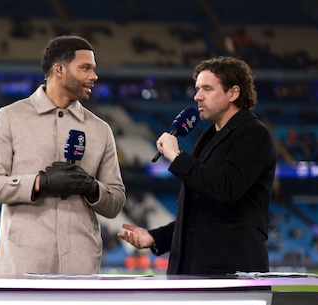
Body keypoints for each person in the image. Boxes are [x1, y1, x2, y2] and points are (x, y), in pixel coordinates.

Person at [0, 35, 126, 276]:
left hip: (81, 265)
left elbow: (116, 201)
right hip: (22, 265)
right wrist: (39, 183)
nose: (94, 77)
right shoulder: (9, 118)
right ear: (59, 69)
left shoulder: (100, 129)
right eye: (85, 68)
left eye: (93, 69)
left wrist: (91, 187)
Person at [118, 56, 276, 276]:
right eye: (197, 88)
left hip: (230, 273)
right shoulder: (209, 136)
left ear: (233, 93)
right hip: (195, 271)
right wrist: (155, 237)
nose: (197, 96)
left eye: (207, 89)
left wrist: (177, 156)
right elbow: (200, 213)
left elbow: (226, 189)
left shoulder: (253, 133)